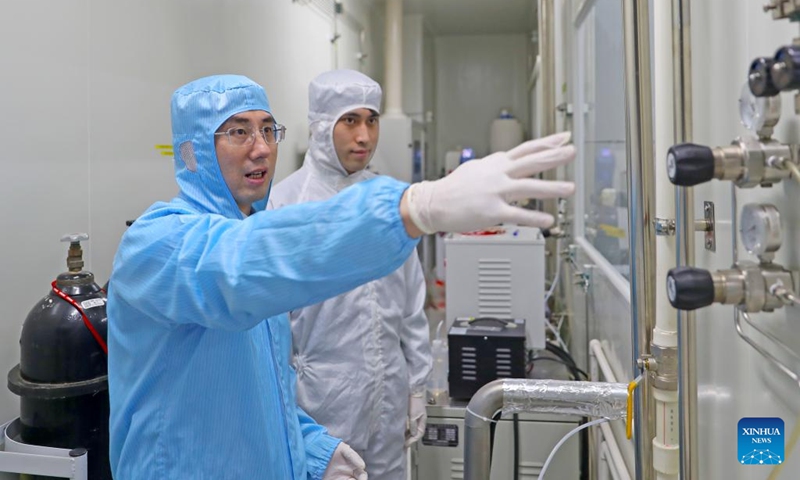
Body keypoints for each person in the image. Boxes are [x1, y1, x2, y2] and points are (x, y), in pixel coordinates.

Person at [107, 74, 576, 480]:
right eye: (238, 132)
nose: (263, 147)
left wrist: (311, 448)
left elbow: (263, 392)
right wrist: (413, 208)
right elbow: (240, 265)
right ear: (191, 151)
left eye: (268, 129)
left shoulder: (249, 227)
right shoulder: (158, 244)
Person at [268, 69, 430, 479]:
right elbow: (272, 333)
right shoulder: (286, 207)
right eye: (350, 121)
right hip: (319, 403)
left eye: (371, 120)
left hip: (388, 397)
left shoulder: (391, 201)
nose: (364, 136)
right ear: (322, 128)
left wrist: (417, 387)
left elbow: (411, 305)